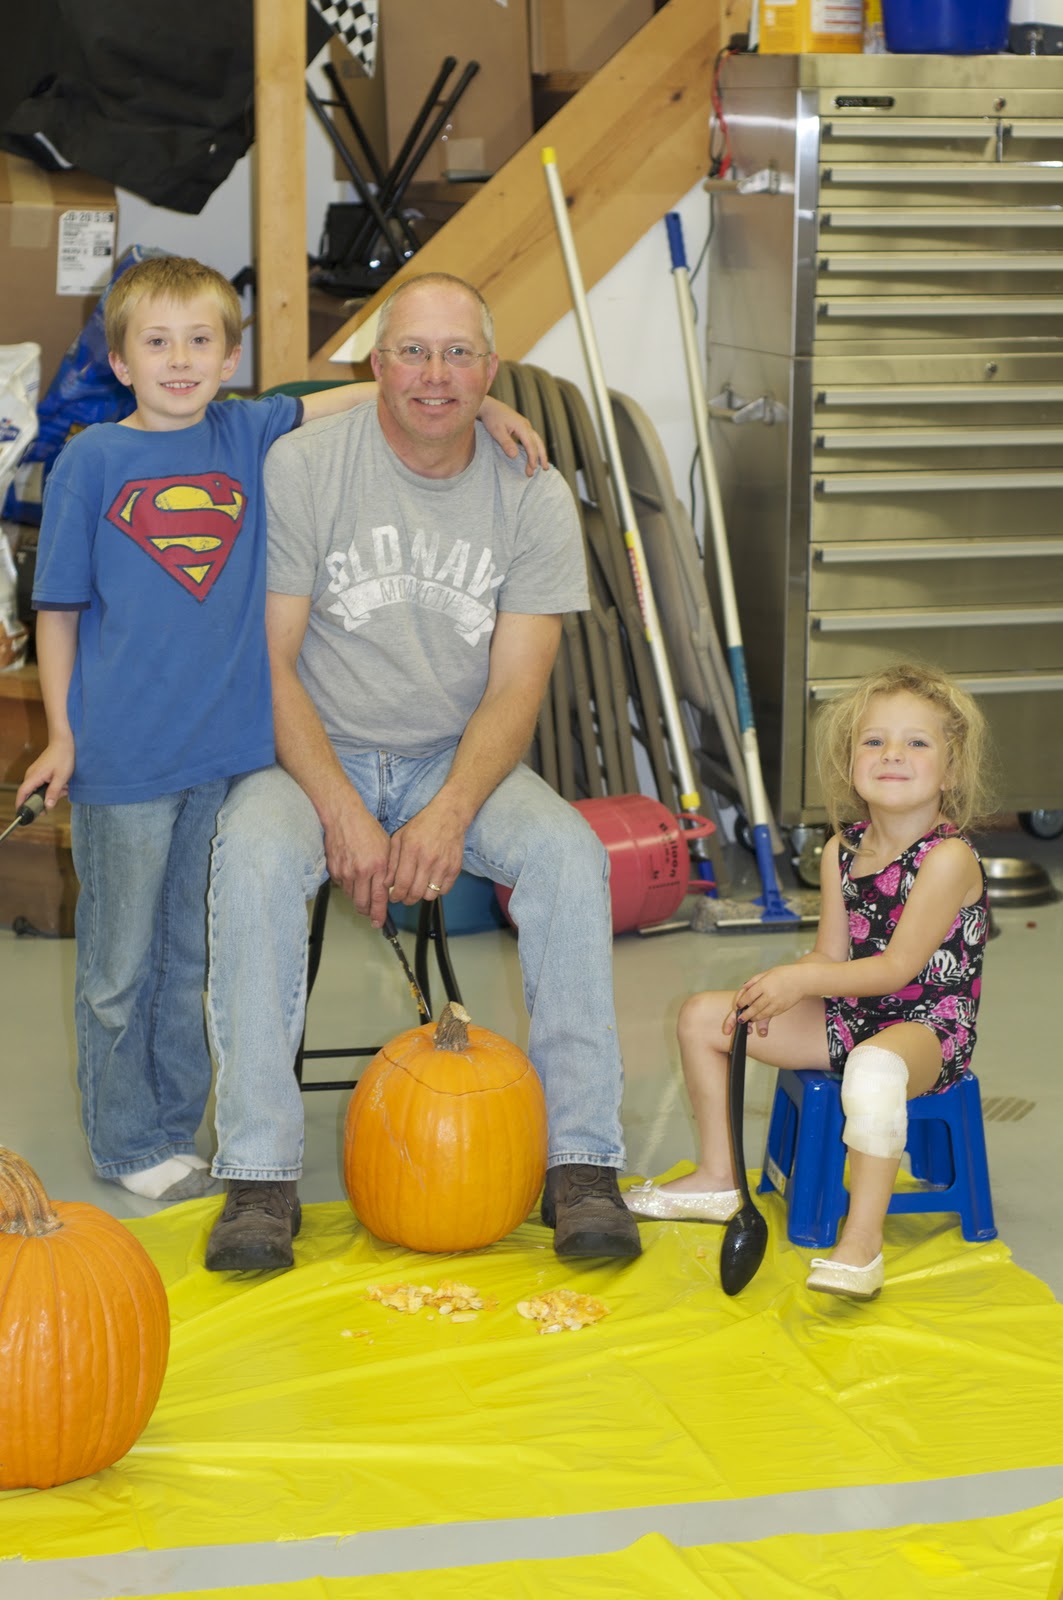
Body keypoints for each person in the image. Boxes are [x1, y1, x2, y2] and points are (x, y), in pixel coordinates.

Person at [16, 255, 543, 1205]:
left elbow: (369, 395)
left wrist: (486, 407)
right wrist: (62, 735)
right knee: (117, 967)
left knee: (191, 958)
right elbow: (58, 611)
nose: (181, 359)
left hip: (225, 760)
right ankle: (124, 1139)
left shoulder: (245, 429)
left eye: (201, 341)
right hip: (122, 764)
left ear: (230, 359)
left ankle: (172, 1127)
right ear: (121, 361)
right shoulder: (90, 462)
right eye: (157, 342)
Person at [203, 270, 641, 1271]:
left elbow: (518, 686)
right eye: (412, 351)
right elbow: (272, 663)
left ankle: (582, 1163)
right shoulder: (306, 467)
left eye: (457, 354)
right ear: (375, 364)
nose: (434, 375)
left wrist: (447, 812)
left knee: (570, 857)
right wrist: (340, 809)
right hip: (312, 752)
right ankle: (260, 1176)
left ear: (491, 370)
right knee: (253, 855)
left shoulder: (532, 492)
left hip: (458, 757)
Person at [626, 662, 991, 1301]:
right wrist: (781, 981)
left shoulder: (949, 859)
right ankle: (717, 1178)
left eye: (916, 742)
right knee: (704, 1016)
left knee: (873, 1071)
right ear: (851, 762)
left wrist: (805, 982)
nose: (892, 754)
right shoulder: (841, 850)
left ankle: (862, 1241)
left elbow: (896, 969)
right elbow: (830, 953)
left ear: (951, 770)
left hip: (928, 1028)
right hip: (849, 1015)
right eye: (874, 740)